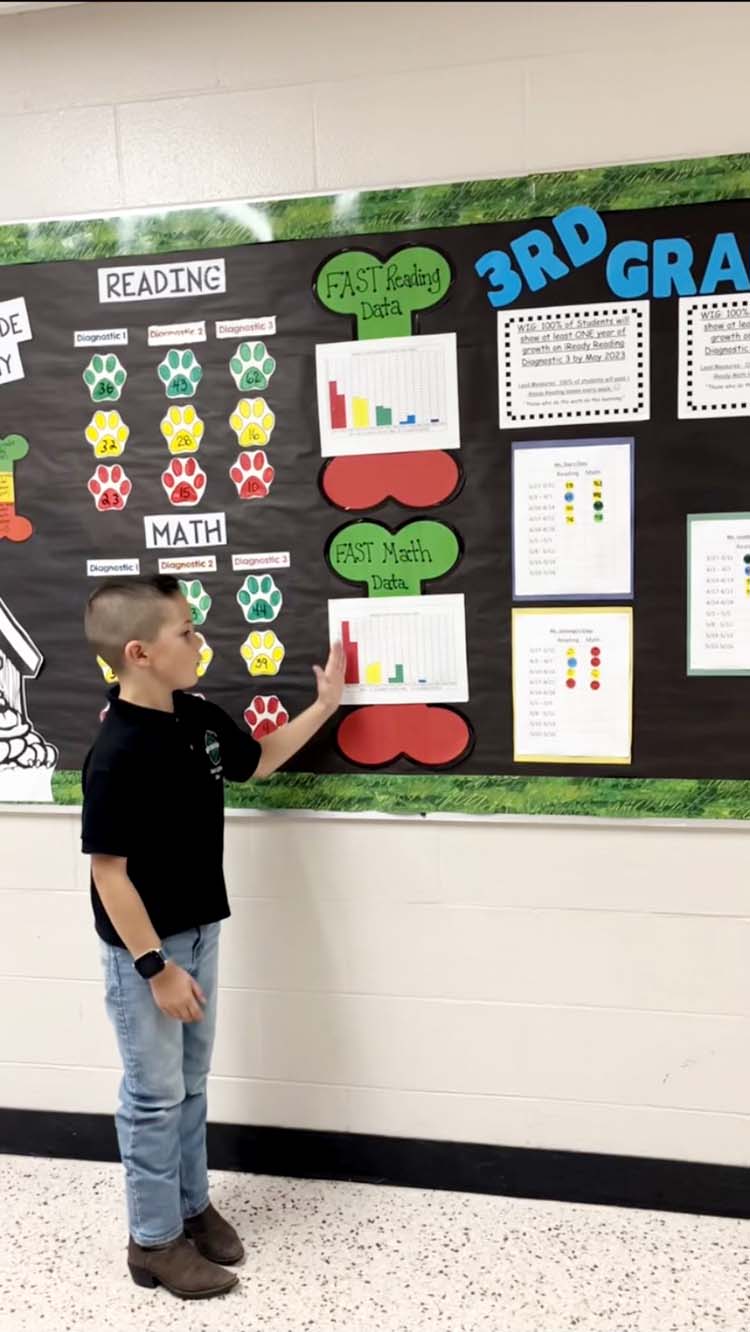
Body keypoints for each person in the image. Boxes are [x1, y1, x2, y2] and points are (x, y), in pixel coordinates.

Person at [81, 575, 345, 1300]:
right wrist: (155, 966)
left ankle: (191, 1207)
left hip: (200, 932)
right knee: (153, 1095)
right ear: (139, 653)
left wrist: (325, 705)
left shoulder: (197, 717)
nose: (202, 642)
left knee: (191, 1084)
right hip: (147, 954)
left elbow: (256, 760)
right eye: (187, 633)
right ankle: (153, 1241)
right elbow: (109, 874)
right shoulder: (116, 751)